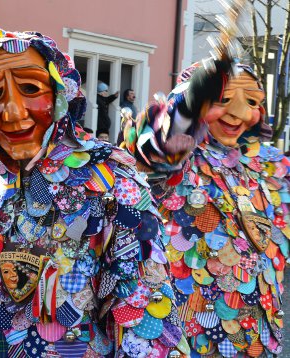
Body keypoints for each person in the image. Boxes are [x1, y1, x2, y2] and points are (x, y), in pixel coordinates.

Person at [0, 30, 185, 357]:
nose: (13, 112)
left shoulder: (110, 178)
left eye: (31, 88)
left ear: (61, 96)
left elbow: (144, 312)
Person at [122, 54, 290, 355]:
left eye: (251, 102)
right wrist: (190, 103)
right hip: (186, 330)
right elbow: (160, 144)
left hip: (256, 337)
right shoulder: (179, 157)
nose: (240, 112)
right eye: (224, 98)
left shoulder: (273, 166)